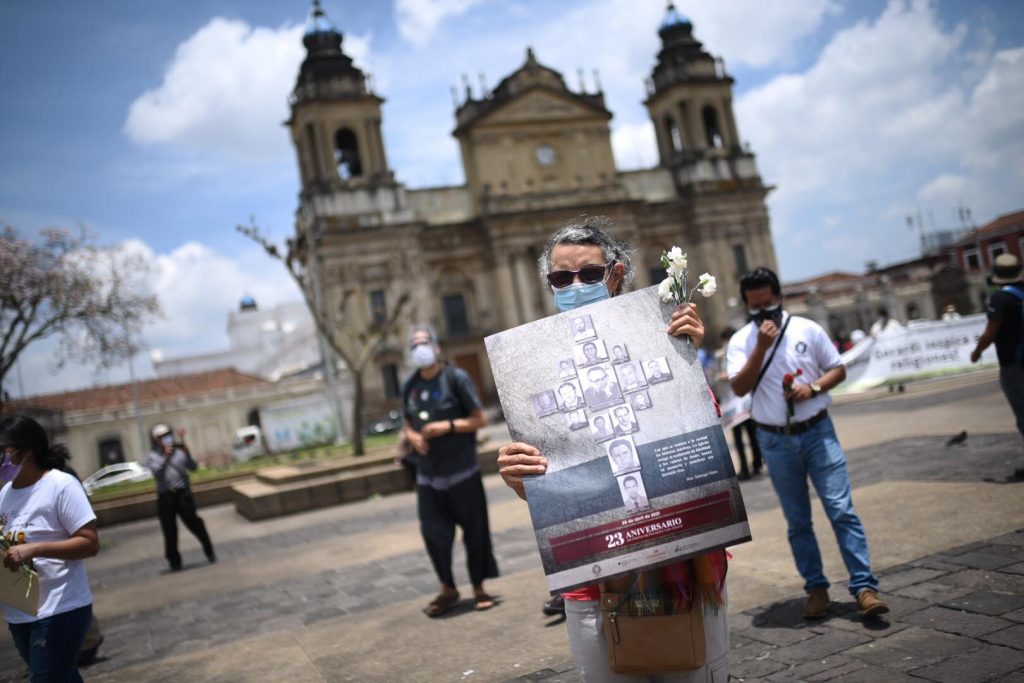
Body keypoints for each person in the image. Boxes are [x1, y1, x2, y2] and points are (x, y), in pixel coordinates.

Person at [499, 217, 730, 680]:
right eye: (562, 278)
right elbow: (558, 483)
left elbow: (705, 449)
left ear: (616, 275)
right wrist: (523, 482)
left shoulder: (661, 342)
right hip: (592, 581)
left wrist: (688, 365)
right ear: (550, 285)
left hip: (684, 569)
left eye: (589, 274)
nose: (576, 285)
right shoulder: (534, 369)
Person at [727, 267, 888, 620]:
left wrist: (812, 388)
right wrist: (762, 348)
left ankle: (864, 587)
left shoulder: (807, 329)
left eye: (768, 304)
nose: (763, 313)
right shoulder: (741, 342)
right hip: (775, 440)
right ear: (745, 306)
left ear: (780, 298)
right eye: (755, 308)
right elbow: (739, 388)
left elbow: (837, 369)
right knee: (798, 520)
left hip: (817, 432)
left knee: (841, 509)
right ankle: (816, 588)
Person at [402, 325, 498, 616]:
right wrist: (412, 436)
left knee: (475, 532)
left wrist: (448, 426)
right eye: (415, 344)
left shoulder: (456, 378)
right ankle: (447, 587)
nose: (420, 348)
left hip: (462, 472)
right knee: (433, 533)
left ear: (436, 347)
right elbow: (406, 421)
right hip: (428, 476)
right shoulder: (410, 385)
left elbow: (479, 420)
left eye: (424, 343)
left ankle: (479, 588)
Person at [0, 415, 100, 682]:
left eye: (3, 451)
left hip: (60, 608)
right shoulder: (4, 494)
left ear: (26, 451)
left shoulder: (60, 485)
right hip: (19, 612)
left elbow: (89, 542)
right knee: (63, 676)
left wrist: (36, 549)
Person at [970, 254, 1024, 478]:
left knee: (1023, 412)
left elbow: (991, 332)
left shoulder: (1000, 299)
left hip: (1014, 362)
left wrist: (977, 351)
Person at [148, 424, 216, 572]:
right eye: (161, 437)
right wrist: (165, 456)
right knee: (169, 530)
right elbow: (157, 474)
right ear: (156, 440)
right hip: (166, 496)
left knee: (194, 523)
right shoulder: (153, 455)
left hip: (182, 494)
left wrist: (188, 452)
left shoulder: (179, 450)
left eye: (167, 434)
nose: (165, 438)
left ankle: (209, 549)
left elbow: (193, 467)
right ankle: (174, 561)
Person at [716, 327, 762, 481]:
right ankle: (746, 467)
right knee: (741, 436)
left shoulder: (741, 352)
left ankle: (755, 463)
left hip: (743, 400)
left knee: (751, 434)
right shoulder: (721, 355)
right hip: (733, 402)